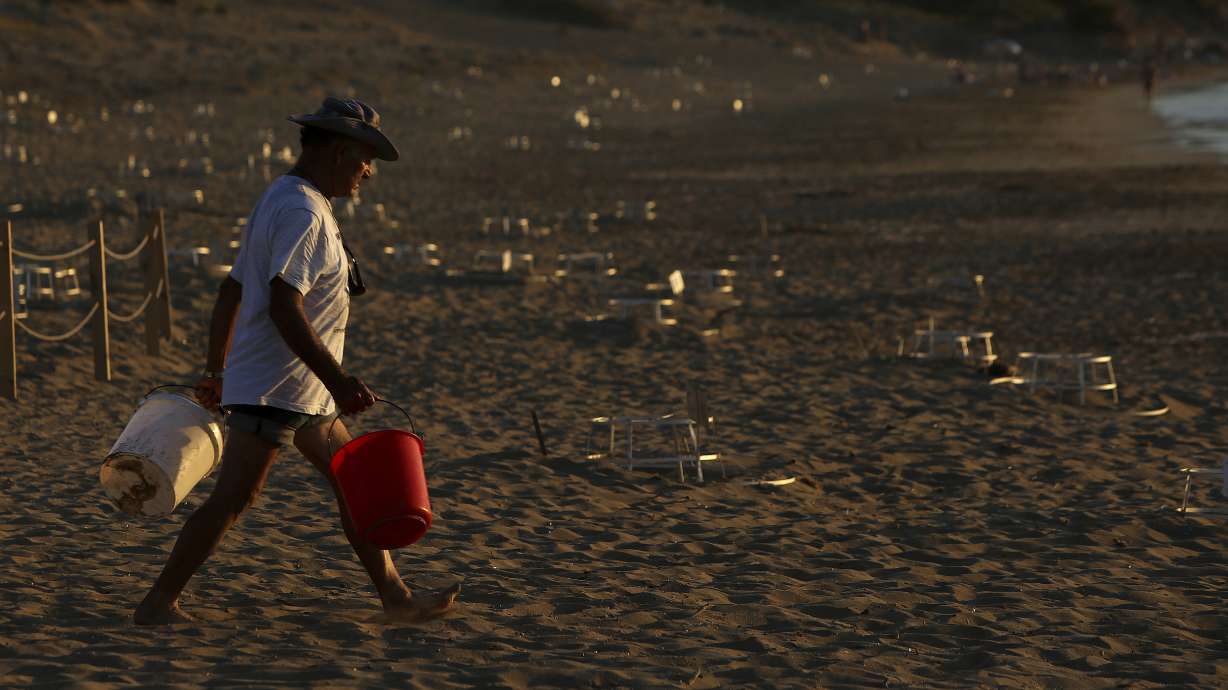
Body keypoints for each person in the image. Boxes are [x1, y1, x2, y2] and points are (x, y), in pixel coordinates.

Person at [134, 97, 459, 625]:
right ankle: (158, 602)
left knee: (356, 486)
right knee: (234, 499)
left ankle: (396, 596)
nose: (369, 172)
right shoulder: (302, 212)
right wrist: (339, 378)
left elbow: (233, 288)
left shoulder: (285, 198)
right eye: (364, 158)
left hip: (301, 389)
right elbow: (285, 304)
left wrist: (217, 370)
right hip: (277, 389)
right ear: (338, 150)